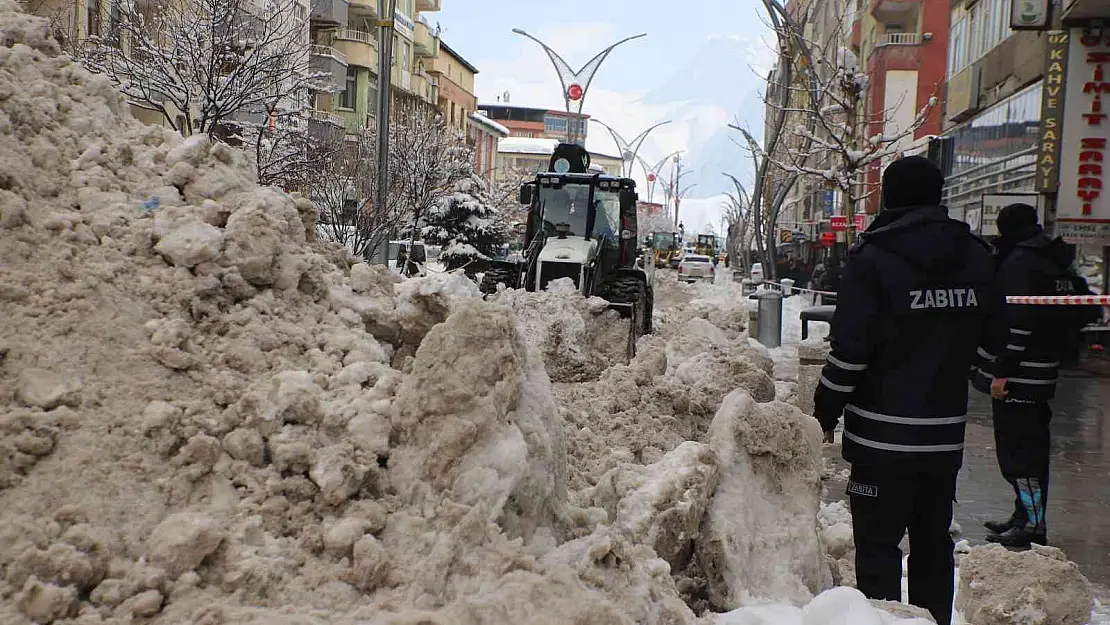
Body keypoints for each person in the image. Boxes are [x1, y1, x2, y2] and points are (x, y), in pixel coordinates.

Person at [813, 156, 993, 625]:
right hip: (943, 439)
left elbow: (851, 352)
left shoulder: (872, 259)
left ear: (888, 197)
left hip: (880, 440)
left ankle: (884, 621)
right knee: (933, 544)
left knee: (877, 548)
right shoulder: (975, 256)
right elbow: (991, 342)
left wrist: (823, 412)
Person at [971, 203, 1099, 548]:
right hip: (1045, 369)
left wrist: (1002, 371)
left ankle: (1032, 523)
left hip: (1020, 376)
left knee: (1019, 455)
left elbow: (1017, 323)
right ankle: (1024, 515)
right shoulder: (1055, 258)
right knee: (1029, 451)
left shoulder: (1020, 263)